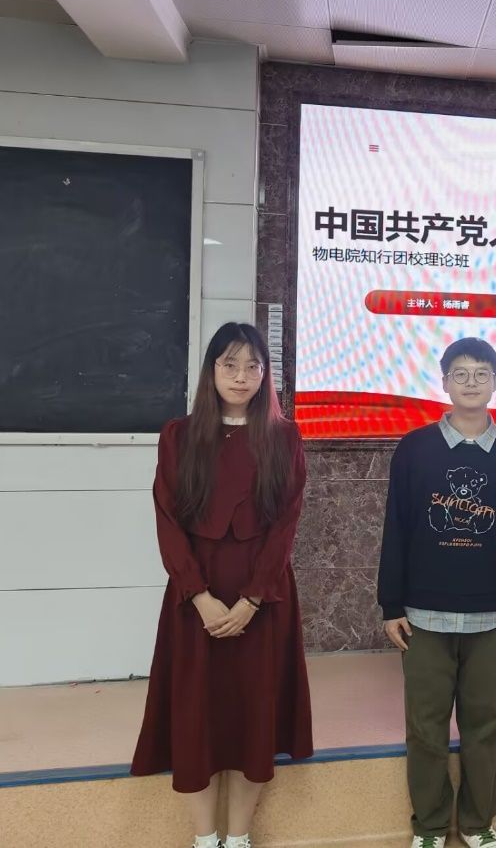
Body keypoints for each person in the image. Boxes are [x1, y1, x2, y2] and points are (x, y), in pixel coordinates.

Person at [132, 322, 312, 848]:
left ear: (266, 374)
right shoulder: (179, 435)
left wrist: (253, 599)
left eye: (253, 366)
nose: (241, 376)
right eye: (229, 364)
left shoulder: (284, 437)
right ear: (211, 370)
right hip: (196, 601)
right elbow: (168, 520)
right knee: (197, 718)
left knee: (253, 718)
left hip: (265, 599)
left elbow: (286, 526)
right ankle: (205, 838)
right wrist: (199, 597)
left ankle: (238, 838)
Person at [377, 337, 496, 848]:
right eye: (461, 373)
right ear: (444, 381)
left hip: (491, 617)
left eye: (481, 373)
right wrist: (391, 604)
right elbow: (396, 528)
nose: (471, 382)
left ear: (495, 382)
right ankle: (428, 826)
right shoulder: (415, 448)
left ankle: (476, 822)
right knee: (424, 728)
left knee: (483, 726)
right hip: (423, 616)